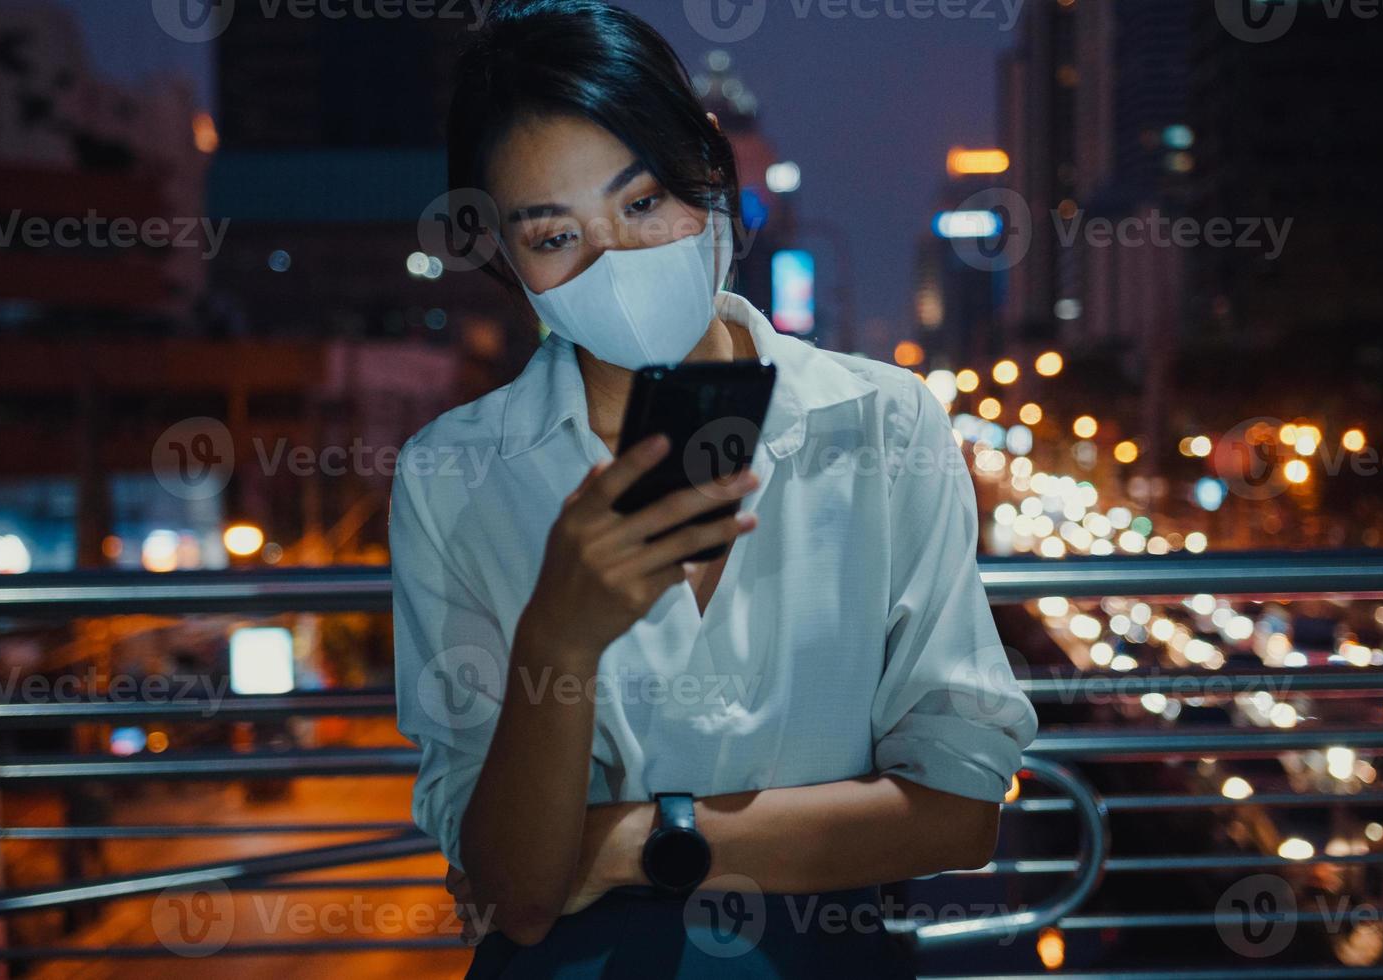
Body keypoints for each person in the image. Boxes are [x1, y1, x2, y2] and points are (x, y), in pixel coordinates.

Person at [391, 2, 1037, 975]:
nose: (615, 263)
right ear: (503, 258)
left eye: (643, 201)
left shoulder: (881, 424)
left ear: (708, 168)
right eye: (554, 236)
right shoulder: (452, 477)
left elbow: (957, 813)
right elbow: (509, 894)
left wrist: (630, 843)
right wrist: (557, 637)